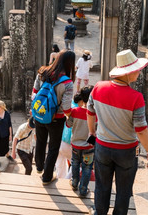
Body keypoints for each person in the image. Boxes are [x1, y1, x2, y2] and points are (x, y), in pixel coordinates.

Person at [87, 49, 148, 215]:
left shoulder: (98, 87)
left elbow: (90, 111)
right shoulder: (136, 97)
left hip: (102, 147)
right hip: (126, 151)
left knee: (102, 186)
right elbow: (141, 129)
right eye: (137, 70)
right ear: (128, 73)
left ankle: (99, 212)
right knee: (124, 190)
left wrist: (92, 132)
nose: (139, 72)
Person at [32, 49, 76, 185]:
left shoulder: (42, 72)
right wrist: (70, 117)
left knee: (40, 140)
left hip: (39, 114)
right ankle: (47, 177)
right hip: (56, 119)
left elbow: (34, 93)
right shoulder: (67, 83)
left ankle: (39, 167)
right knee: (53, 148)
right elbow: (66, 107)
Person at [66, 86, 95, 197]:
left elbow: (68, 125)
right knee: (87, 167)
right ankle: (83, 189)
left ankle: (74, 183)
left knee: (75, 163)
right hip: (89, 146)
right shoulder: (95, 115)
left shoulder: (75, 111)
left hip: (76, 145)